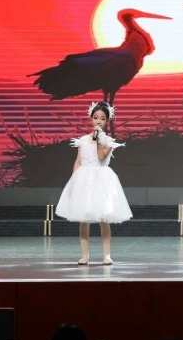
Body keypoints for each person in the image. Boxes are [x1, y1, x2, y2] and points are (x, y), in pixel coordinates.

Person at [55, 102, 133, 265]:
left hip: (102, 181)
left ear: (107, 121)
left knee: (104, 218)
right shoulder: (83, 140)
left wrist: (99, 140)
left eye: (103, 118)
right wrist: (75, 181)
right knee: (84, 218)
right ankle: (85, 255)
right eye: (96, 117)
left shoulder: (109, 141)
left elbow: (101, 157)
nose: (99, 121)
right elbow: (78, 161)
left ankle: (106, 255)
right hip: (84, 181)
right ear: (91, 119)